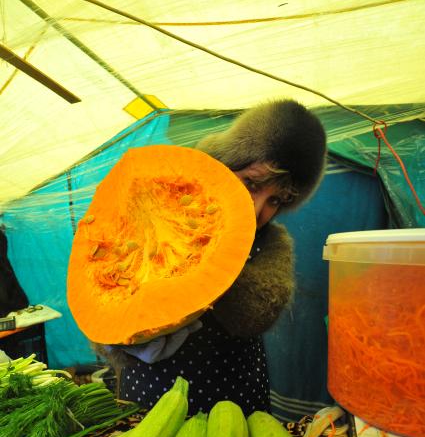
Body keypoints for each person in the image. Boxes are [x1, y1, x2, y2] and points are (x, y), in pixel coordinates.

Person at [95, 99, 327, 415]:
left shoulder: (273, 242)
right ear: (222, 166)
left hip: (231, 397)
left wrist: (210, 253)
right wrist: (118, 344)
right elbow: (105, 298)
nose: (258, 209)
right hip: (151, 391)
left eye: (275, 200)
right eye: (252, 183)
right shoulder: (160, 218)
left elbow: (258, 314)